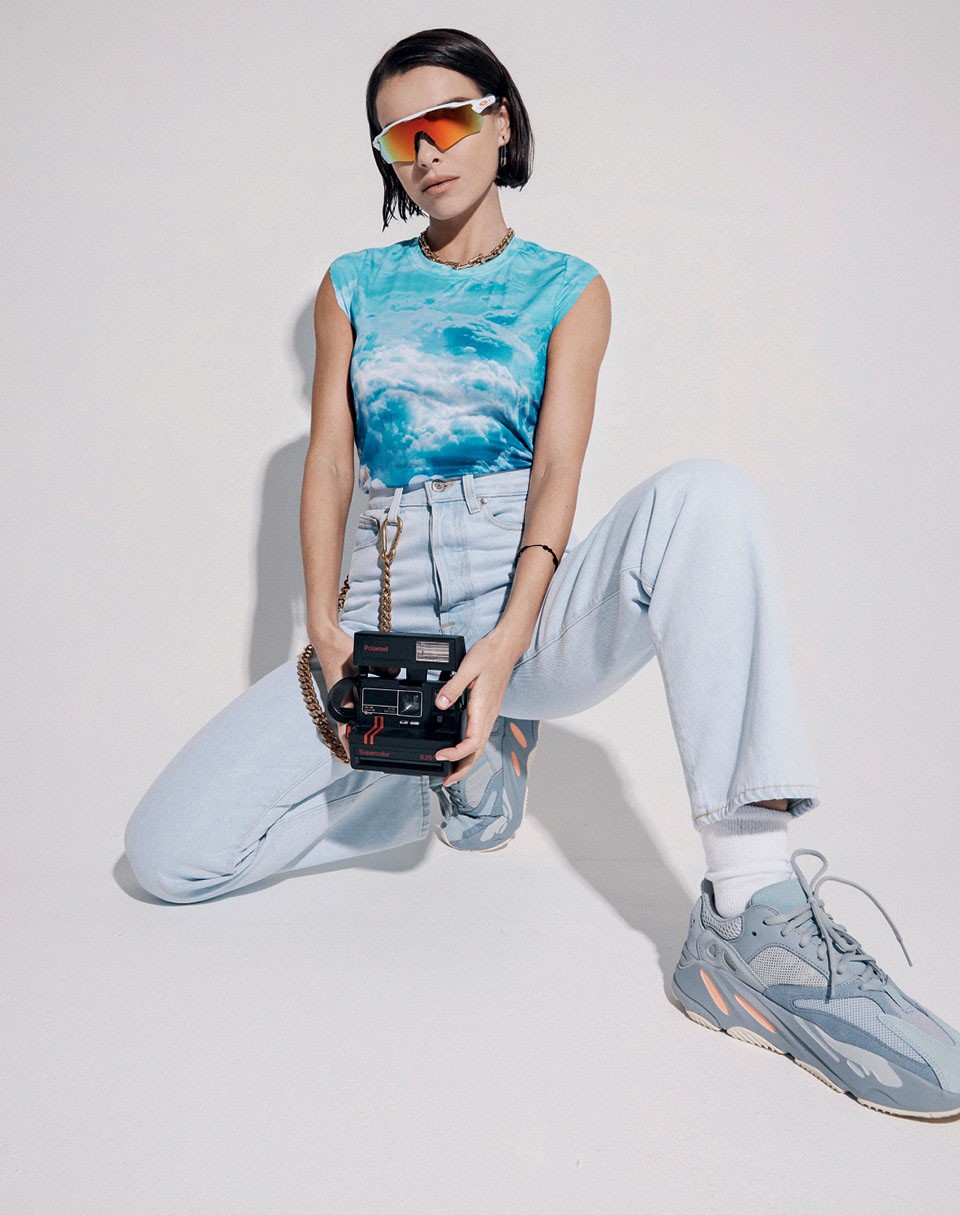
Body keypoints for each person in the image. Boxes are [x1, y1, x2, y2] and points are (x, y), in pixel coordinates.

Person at [124, 27, 960, 1119]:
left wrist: (511, 639)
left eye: (448, 119)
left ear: (501, 118)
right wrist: (327, 630)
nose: (428, 152)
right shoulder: (352, 285)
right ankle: (432, 783)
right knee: (167, 856)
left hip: (524, 606)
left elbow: (560, 467)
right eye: (400, 137)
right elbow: (329, 460)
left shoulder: (568, 288)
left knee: (705, 497)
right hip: (382, 618)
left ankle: (751, 913)